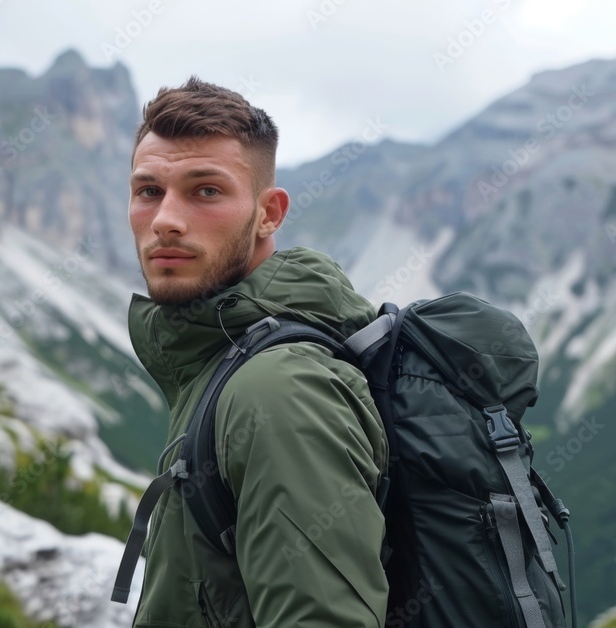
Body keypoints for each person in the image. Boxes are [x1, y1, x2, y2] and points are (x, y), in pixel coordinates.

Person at [127, 75, 388, 627]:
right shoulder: (223, 356)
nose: (165, 220)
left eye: (206, 191)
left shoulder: (279, 389)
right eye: (148, 191)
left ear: (269, 213)